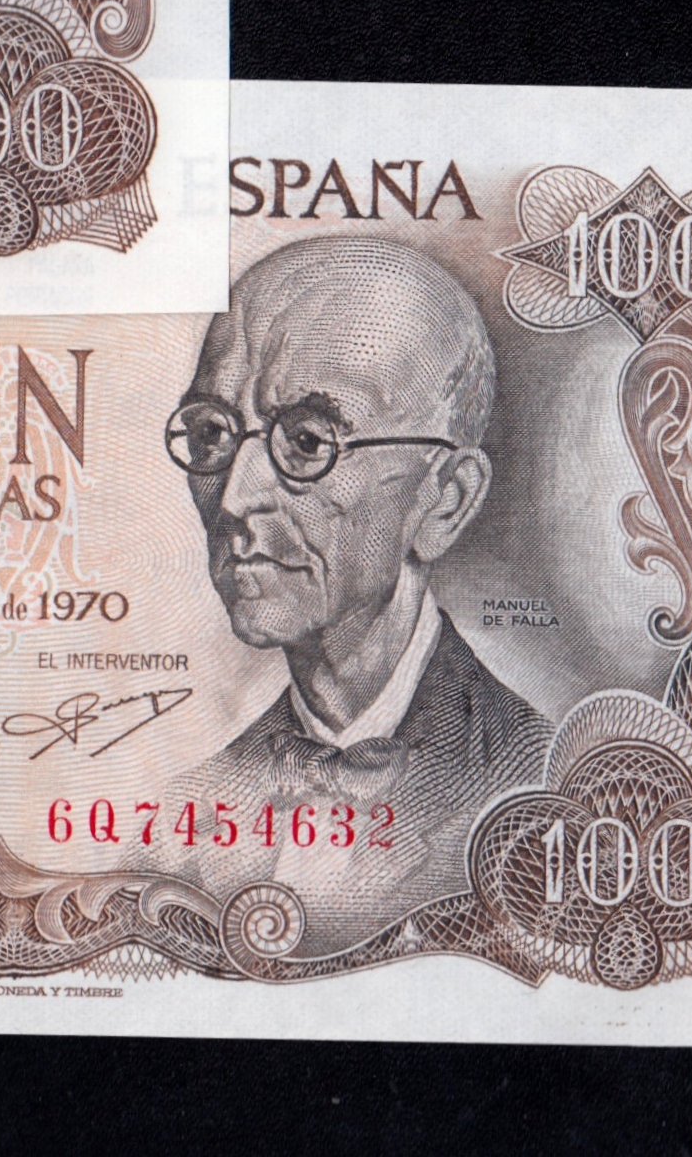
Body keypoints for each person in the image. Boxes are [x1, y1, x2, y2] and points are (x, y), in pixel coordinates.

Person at [164, 236, 550, 948]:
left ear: (444, 502)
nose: (234, 498)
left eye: (309, 443)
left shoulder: (543, 789)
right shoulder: (179, 812)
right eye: (212, 432)